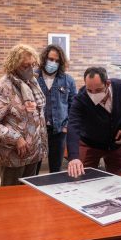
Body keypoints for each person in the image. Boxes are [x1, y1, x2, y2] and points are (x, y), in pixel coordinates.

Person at [0, 44, 47, 186]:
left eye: (33, 65)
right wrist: (15, 138)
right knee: (9, 199)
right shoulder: (3, 87)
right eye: (25, 66)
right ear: (13, 66)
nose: (30, 69)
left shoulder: (32, 83)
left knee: (28, 197)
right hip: (13, 156)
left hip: (33, 153)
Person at [66, 67, 121, 178]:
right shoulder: (80, 99)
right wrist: (74, 157)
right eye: (89, 90)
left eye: (98, 90)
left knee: (118, 179)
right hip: (90, 143)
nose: (93, 95)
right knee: (83, 177)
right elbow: (73, 126)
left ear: (107, 83)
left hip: (115, 144)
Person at [36, 44, 77, 173]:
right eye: (50, 59)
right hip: (37, 131)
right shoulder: (33, 77)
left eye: (57, 61)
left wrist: (67, 126)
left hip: (59, 131)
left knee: (56, 169)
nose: (53, 63)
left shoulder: (67, 80)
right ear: (44, 59)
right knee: (33, 168)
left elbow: (73, 106)